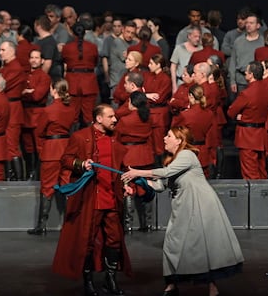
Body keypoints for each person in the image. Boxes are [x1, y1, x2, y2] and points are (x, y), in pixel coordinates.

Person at [121, 126, 244, 296]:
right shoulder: (170, 160)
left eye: (169, 135)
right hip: (183, 205)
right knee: (173, 242)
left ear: (179, 141)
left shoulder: (187, 155)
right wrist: (139, 181)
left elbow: (167, 173)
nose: (164, 138)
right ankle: (172, 284)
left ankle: (210, 287)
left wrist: (137, 172)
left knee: (201, 244)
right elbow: (158, 185)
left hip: (199, 203)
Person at [52, 104, 132, 296]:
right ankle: (88, 281)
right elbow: (65, 160)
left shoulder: (115, 137)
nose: (115, 120)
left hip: (111, 197)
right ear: (98, 119)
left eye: (115, 116)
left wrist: (127, 184)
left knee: (114, 240)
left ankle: (110, 279)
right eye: (111, 116)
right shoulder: (80, 137)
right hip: (92, 198)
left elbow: (120, 165)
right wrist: (81, 164)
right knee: (87, 240)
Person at [27, 78, 75, 235]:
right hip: (67, 149)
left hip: (51, 151)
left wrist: (41, 148)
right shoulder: (71, 109)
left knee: (47, 188)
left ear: (53, 90)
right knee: (67, 186)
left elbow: (39, 131)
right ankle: (71, 224)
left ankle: (42, 225)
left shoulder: (48, 110)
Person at [115, 90, 154, 233]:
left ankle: (128, 224)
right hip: (145, 155)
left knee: (128, 188)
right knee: (146, 187)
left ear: (131, 103)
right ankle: (148, 222)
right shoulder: (148, 118)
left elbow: (117, 137)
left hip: (129, 156)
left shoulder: (126, 120)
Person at [227, 61, 268, 179]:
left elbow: (231, 111)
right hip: (261, 134)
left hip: (248, 136)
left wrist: (241, 116)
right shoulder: (266, 90)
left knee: (250, 172)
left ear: (251, 74)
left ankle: (253, 197)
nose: (245, 73)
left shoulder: (246, 93)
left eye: (246, 71)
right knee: (261, 170)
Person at [21, 49, 51, 180]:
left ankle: (39, 174)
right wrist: (27, 92)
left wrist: (25, 93)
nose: (34, 60)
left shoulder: (44, 77)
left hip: (37, 115)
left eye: (36, 57)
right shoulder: (24, 75)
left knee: (38, 146)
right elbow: (18, 93)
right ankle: (30, 173)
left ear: (42, 60)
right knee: (27, 147)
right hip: (25, 114)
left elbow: (37, 96)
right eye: (31, 57)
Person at [171, 84, 214, 178]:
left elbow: (173, 130)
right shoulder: (210, 114)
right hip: (203, 153)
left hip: (188, 151)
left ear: (190, 96)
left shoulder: (185, 115)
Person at [62, 22, 99, 129]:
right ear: (85, 33)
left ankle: (73, 141)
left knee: (73, 117)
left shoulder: (67, 48)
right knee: (90, 117)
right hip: (89, 83)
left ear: (73, 33)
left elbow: (64, 60)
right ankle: (92, 142)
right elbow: (95, 62)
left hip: (72, 82)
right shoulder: (92, 47)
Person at [0, 40, 27, 181]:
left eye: (3, 50)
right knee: (8, 143)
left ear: (11, 51)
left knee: (11, 144)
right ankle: (12, 176)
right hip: (7, 109)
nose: (0, 53)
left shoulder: (15, 68)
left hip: (13, 111)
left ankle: (18, 178)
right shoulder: (7, 68)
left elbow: (2, 85)